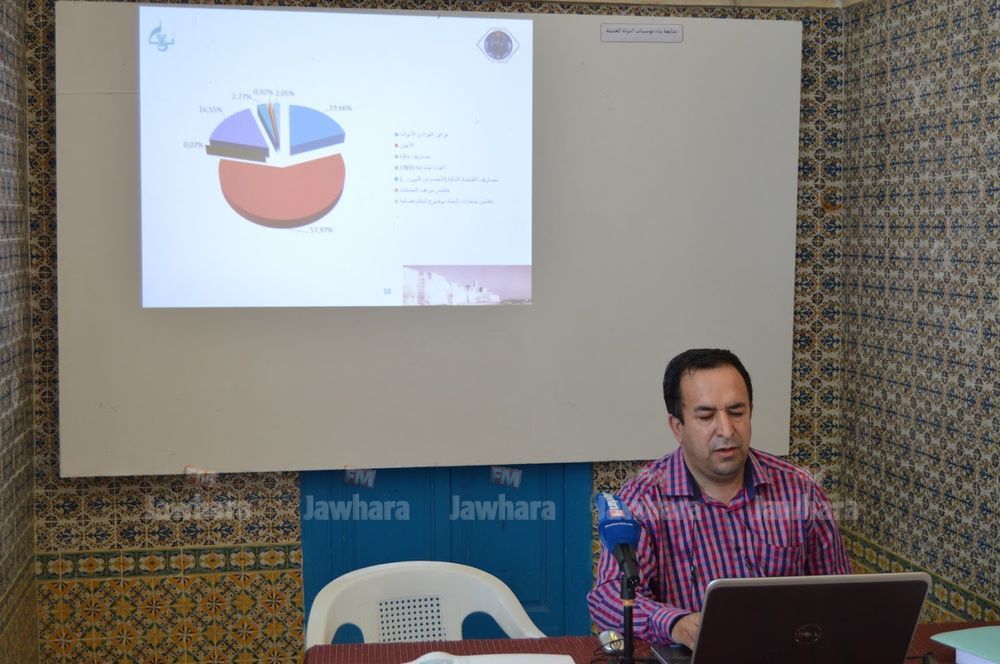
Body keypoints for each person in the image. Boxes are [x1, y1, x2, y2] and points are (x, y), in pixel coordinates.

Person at [587, 348, 851, 648]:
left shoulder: (799, 490)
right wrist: (674, 623)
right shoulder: (643, 500)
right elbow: (608, 599)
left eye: (737, 412)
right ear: (677, 427)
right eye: (706, 416)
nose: (726, 430)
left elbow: (841, 594)